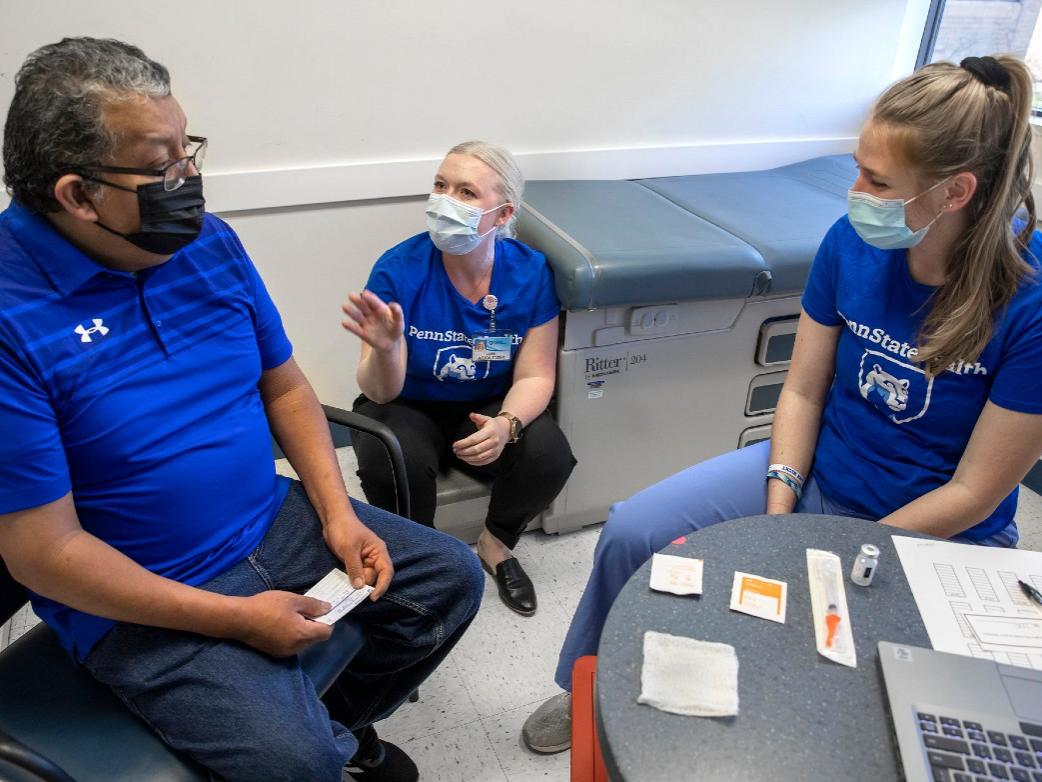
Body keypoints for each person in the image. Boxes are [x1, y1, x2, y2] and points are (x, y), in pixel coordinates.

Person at [522, 54, 1042, 754]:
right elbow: (802, 389)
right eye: (857, 167)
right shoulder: (850, 242)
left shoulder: (1030, 298)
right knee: (631, 530)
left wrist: (840, 554)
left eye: (878, 180)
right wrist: (781, 512)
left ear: (956, 192)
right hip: (826, 472)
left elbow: (977, 492)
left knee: (869, 703)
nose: (855, 192)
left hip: (940, 528)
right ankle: (582, 687)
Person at [0, 38, 483, 782]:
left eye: (186, 150)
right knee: (295, 766)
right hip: (146, 591)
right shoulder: (11, 317)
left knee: (448, 580)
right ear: (77, 195)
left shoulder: (206, 246)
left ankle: (339, 730)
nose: (188, 181)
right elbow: (44, 553)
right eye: (161, 167)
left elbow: (284, 385)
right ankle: (319, 749)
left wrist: (339, 515)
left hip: (271, 520)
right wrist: (236, 620)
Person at [341, 141, 576, 616]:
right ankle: (420, 556)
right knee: (391, 460)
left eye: (467, 192)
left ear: (502, 212)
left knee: (549, 456)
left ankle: (496, 545)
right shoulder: (398, 270)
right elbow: (379, 390)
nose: (446, 200)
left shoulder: (529, 274)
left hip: (485, 401)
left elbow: (535, 374)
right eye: (441, 185)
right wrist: (386, 349)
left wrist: (506, 424)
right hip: (406, 401)